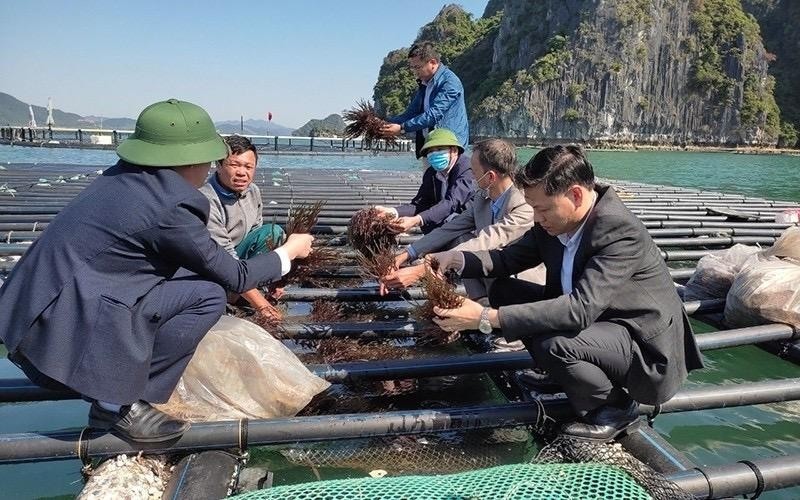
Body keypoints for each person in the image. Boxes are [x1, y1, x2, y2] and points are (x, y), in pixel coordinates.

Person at [0, 99, 314, 443]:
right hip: (58, 335)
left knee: (196, 282)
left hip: (30, 315)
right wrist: (288, 252)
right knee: (208, 294)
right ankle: (119, 404)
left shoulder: (124, 178)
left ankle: (122, 390)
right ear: (192, 159)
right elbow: (234, 277)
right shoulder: (171, 205)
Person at [428, 145, 704, 442]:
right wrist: (456, 259)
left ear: (574, 195)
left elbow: (579, 309)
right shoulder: (555, 224)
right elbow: (505, 259)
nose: (536, 217)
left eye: (542, 208)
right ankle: (558, 375)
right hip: (602, 326)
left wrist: (484, 318)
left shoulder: (618, 230)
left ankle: (615, 409)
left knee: (554, 342)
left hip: (643, 348)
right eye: (533, 208)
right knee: (504, 288)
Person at [380, 138, 534, 301]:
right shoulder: (483, 196)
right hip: (491, 276)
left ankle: (485, 311)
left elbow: (486, 241)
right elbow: (451, 228)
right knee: (459, 237)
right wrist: (407, 254)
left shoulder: (524, 205)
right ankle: (479, 301)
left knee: (469, 250)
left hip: (519, 287)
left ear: (490, 177)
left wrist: (423, 269)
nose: (472, 179)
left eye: (474, 173)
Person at [199, 135, 284, 319]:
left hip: (240, 259)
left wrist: (275, 278)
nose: (242, 173)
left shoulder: (253, 191)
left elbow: (256, 232)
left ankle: (241, 291)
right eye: (234, 165)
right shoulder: (206, 200)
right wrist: (262, 306)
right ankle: (233, 294)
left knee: (273, 233)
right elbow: (224, 256)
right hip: (215, 263)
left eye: (248, 167)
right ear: (219, 165)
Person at [374, 128, 474, 234]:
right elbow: (420, 204)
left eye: (439, 149)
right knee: (429, 223)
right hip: (448, 221)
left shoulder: (467, 169)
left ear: (454, 150)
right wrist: (393, 212)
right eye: (430, 151)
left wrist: (416, 220)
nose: (434, 154)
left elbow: (451, 203)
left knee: (443, 220)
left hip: (473, 224)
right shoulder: (432, 173)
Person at [381, 42, 469, 158]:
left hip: (449, 146)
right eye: (412, 68)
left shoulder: (450, 82)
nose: (414, 72)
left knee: (450, 176)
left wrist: (402, 128)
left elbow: (434, 115)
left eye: (417, 67)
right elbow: (411, 113)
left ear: (432, 62)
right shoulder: (425, 84)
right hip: (430, 145)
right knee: (429, 176)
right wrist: (386, 124)